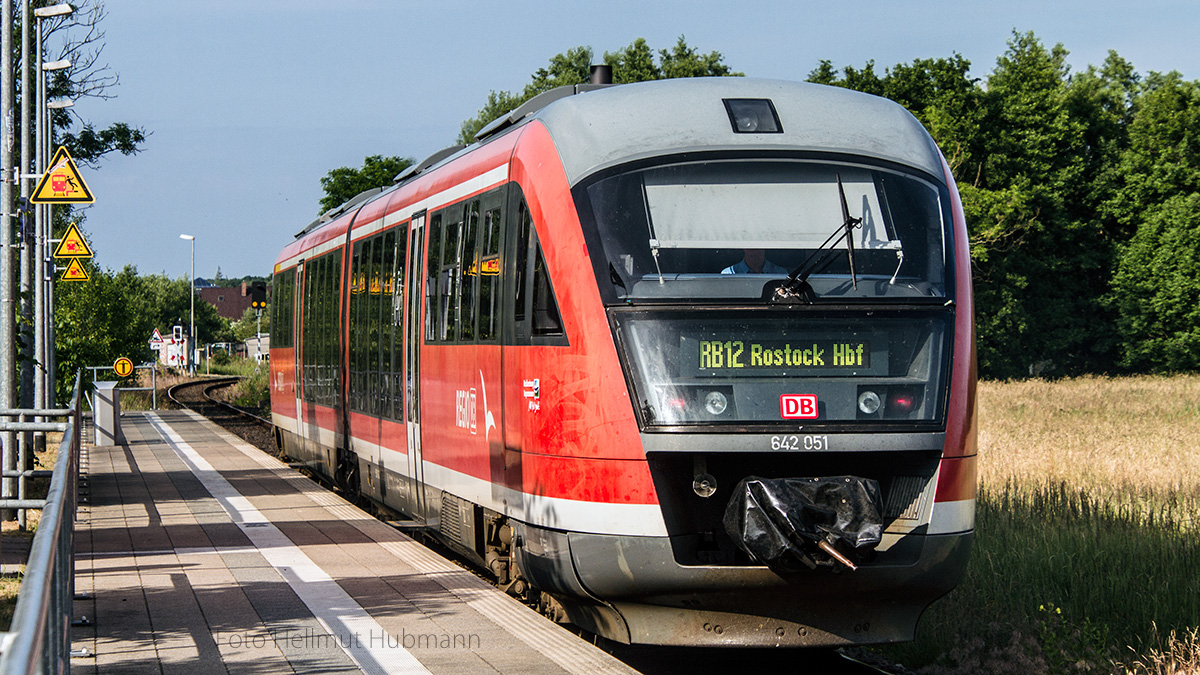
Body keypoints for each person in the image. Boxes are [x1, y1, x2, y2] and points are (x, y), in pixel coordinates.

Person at [721, 249, 787, 274]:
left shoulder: (780, 273)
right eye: (750, 247)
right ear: (744, 248)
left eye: (758, 247)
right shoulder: (728, 274)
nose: (753, 251)